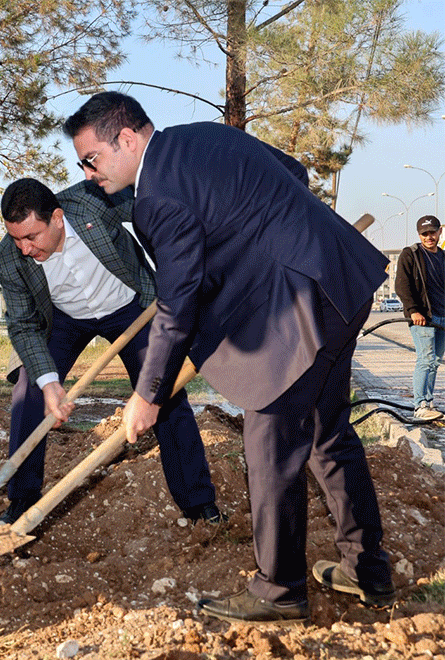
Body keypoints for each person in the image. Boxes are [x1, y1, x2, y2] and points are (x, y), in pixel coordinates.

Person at [63, 91, 393, 624]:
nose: (87, 172)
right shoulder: (205, 134)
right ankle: (367, 569)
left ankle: (278, 590)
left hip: (302, 306)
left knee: (269, 442)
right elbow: (293, 170)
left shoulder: (156, 200)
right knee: (328, 435)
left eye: (91, 158)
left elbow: (176, 305)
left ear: (126, 139)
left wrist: (147, 395)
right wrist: (263, 242)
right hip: (340, 280)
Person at [0, 177, 220, 526]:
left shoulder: (92, 202)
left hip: (128, 306)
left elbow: (157, 205)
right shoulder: (8, 259)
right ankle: (22, 501)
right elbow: (23, 325)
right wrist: (50, 382)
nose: (23, 248)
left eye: (31, 237)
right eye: (15, 238)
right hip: (64, 319)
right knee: (29, 392)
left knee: (165, 393)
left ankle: (198, 504)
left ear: (56, 217)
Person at [395, 215, 445, 421]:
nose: (429, 237)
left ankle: (429, 401)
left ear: (440, 231)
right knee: (426, 360)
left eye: (432, 232)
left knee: (434, 362)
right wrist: (413, 310)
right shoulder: (411, 255)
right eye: (425, 234)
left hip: (443, 317)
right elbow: (402, 285)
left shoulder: (443, 256)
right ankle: (420, 406)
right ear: (419, 235)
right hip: (422, 317)